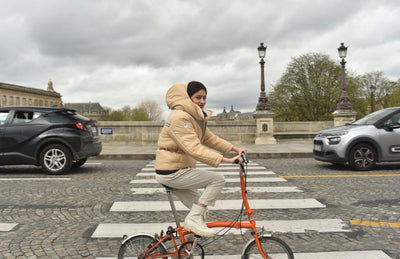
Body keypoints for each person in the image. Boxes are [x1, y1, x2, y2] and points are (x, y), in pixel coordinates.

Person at [155, 81, 247, 237]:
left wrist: (234, 149)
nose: (202, 101)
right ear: (187, 97)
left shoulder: (194, 116)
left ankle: (186, 249)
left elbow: (209, 139)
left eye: (204, 97)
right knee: (217, 179)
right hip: (172, 171)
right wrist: (228, 160)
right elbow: (194, 149)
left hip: (180, 168)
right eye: (198, 97)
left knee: (199, 210)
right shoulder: (180, 117)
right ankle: (192, 222)